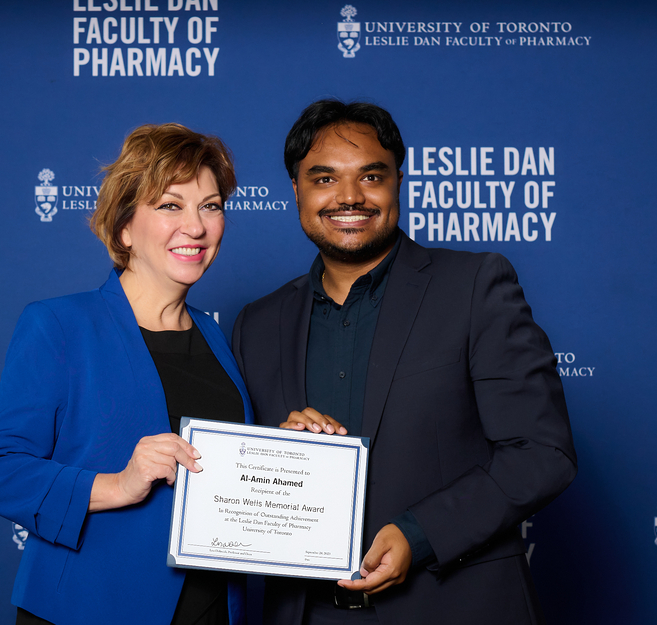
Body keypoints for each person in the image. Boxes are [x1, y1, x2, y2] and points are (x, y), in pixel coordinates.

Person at [232, 100, 577, 624]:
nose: (349, 197)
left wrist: (420, 535)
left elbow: (542, 452)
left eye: (371, 176)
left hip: (453, 605)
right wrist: (277, 452)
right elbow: (238, 486)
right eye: (324, 178)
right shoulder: (256, 324)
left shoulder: (474, 286)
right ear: (296, 190)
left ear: (398, 181)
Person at [0, 123, 253, 625]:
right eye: (170, 205)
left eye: (210, 206)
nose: (196, 225)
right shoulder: (59, 325)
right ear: (124, 227)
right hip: (88, 607)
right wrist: (118, 485)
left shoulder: (218, 340)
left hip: (212, 608)